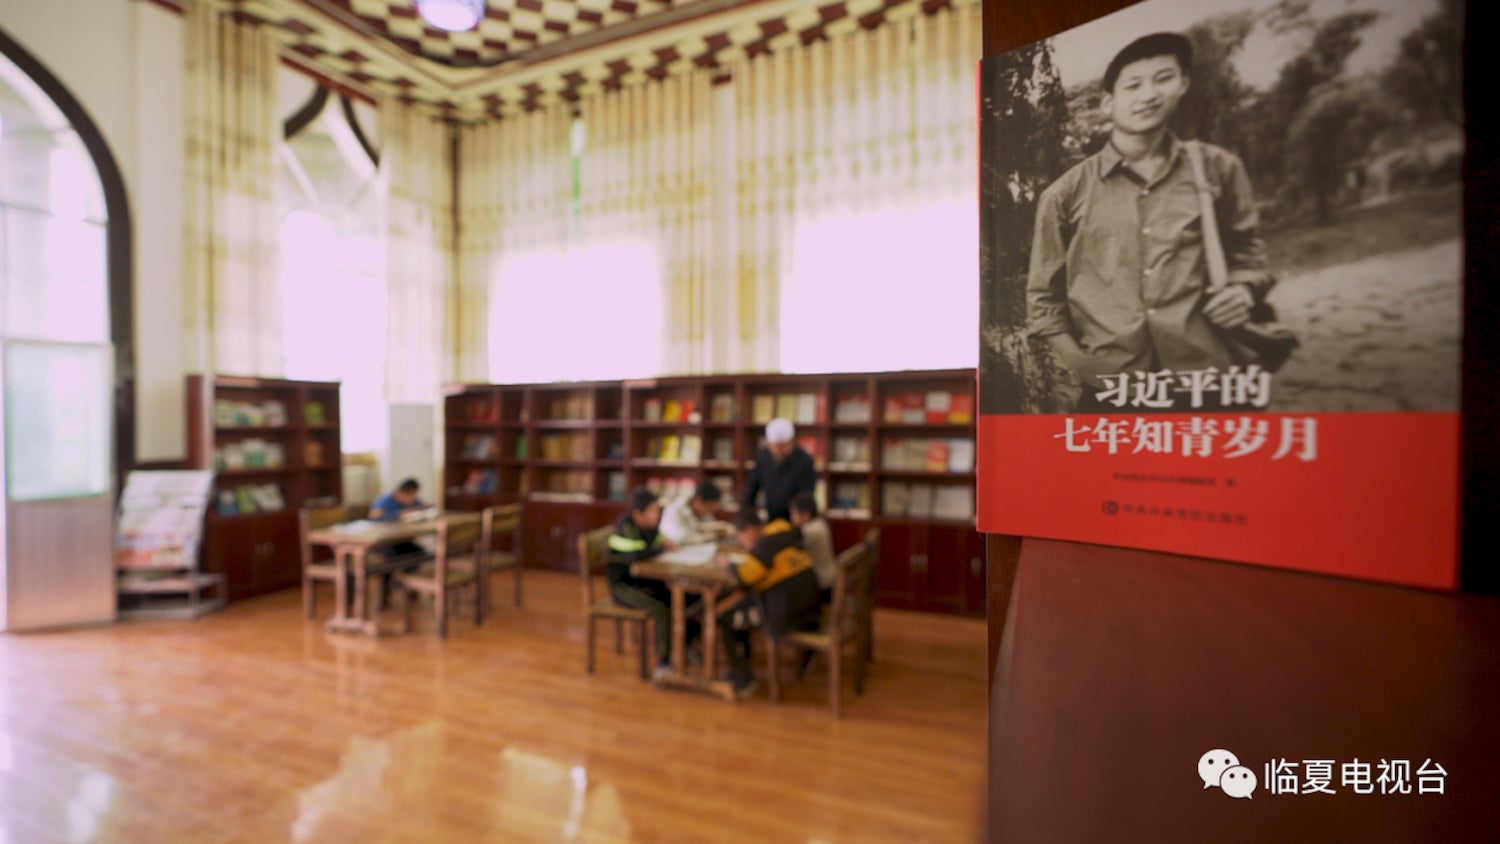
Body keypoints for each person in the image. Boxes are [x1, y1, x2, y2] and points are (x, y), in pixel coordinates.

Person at [1026, 32, 1275, 411]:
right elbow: (1043, 298)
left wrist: (1242, 290)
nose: (1149, 95)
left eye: (1164, 78)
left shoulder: (1218, 168)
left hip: (1212, 376)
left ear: (1183, 85)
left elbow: (1249, 253)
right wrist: (1082, 365)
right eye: (1134, 85)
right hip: (1115, 387)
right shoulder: (1064, 194)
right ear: (1108, 103)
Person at [714, 511, 822, 698]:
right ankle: (744, 669)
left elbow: (745, 577)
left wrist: (728, 566)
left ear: (748, 530)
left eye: (741, 537)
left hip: (788, 614)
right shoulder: (784, 533)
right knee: (740, 604)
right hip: (810, 607)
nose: (742, 542)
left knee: (727, 616)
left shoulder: (765, 546)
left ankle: (744, 679)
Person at [607, 488, 679, 679]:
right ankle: (663, 663)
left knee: (676, 598)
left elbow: (659, 540)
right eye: (654, 511)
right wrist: (659, 549)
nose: (658, 515)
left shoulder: (650, 526)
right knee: (661, 610)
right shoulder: (625, 527)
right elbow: (635, 555)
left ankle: (684, 646)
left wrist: (665, 544)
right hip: (624, 587)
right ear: (638, 514)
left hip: (645, 581)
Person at [740, 417, 817, 523]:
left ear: (791, 442)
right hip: (771, 516)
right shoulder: (763, 457)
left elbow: (806, 497)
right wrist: (746, 517)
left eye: (782, 446)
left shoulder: (804, 461)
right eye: (774, 446)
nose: (778, 450)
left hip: (796, 520)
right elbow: (751, 489)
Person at [789, 492, 836, 606]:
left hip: (821, 583)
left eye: (794, 514)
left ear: (806, 515)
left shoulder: (809, 531)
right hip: (829, 577)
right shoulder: (820, 523)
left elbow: (791, 547)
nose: (791, 518)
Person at [660, 479, 734, 547]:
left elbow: (710, 525)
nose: (711, 510)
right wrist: (713, 536)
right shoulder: (676, 509)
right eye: (710, 506)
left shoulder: (702, 511)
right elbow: (682, 539)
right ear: (699, 500)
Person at [368, 477, 428, 559]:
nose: (413, 498)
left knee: (420, 554)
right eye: (412, 495)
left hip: (401, 538)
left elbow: (422, 506)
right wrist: (399, 514)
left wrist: (422, 508)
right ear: (401, 493)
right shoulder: (385, 500)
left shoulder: (412, 500)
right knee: (392, 557)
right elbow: (374, 517)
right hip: (384, 540)